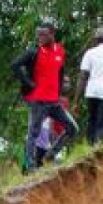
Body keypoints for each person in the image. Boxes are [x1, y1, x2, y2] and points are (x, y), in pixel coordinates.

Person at [12, 22, 79, 168]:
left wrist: (59, 90)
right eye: (38, 34)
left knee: (72, 129)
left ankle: (50, 155)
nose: (39, 37)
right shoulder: (33, 52)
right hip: (38, 100)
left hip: (54, 101)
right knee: (33, 133)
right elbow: (15, 65)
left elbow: (60, 71)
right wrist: (28, 82)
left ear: (52, 34)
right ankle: (29, 166)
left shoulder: (60, 51)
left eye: (43, 34)